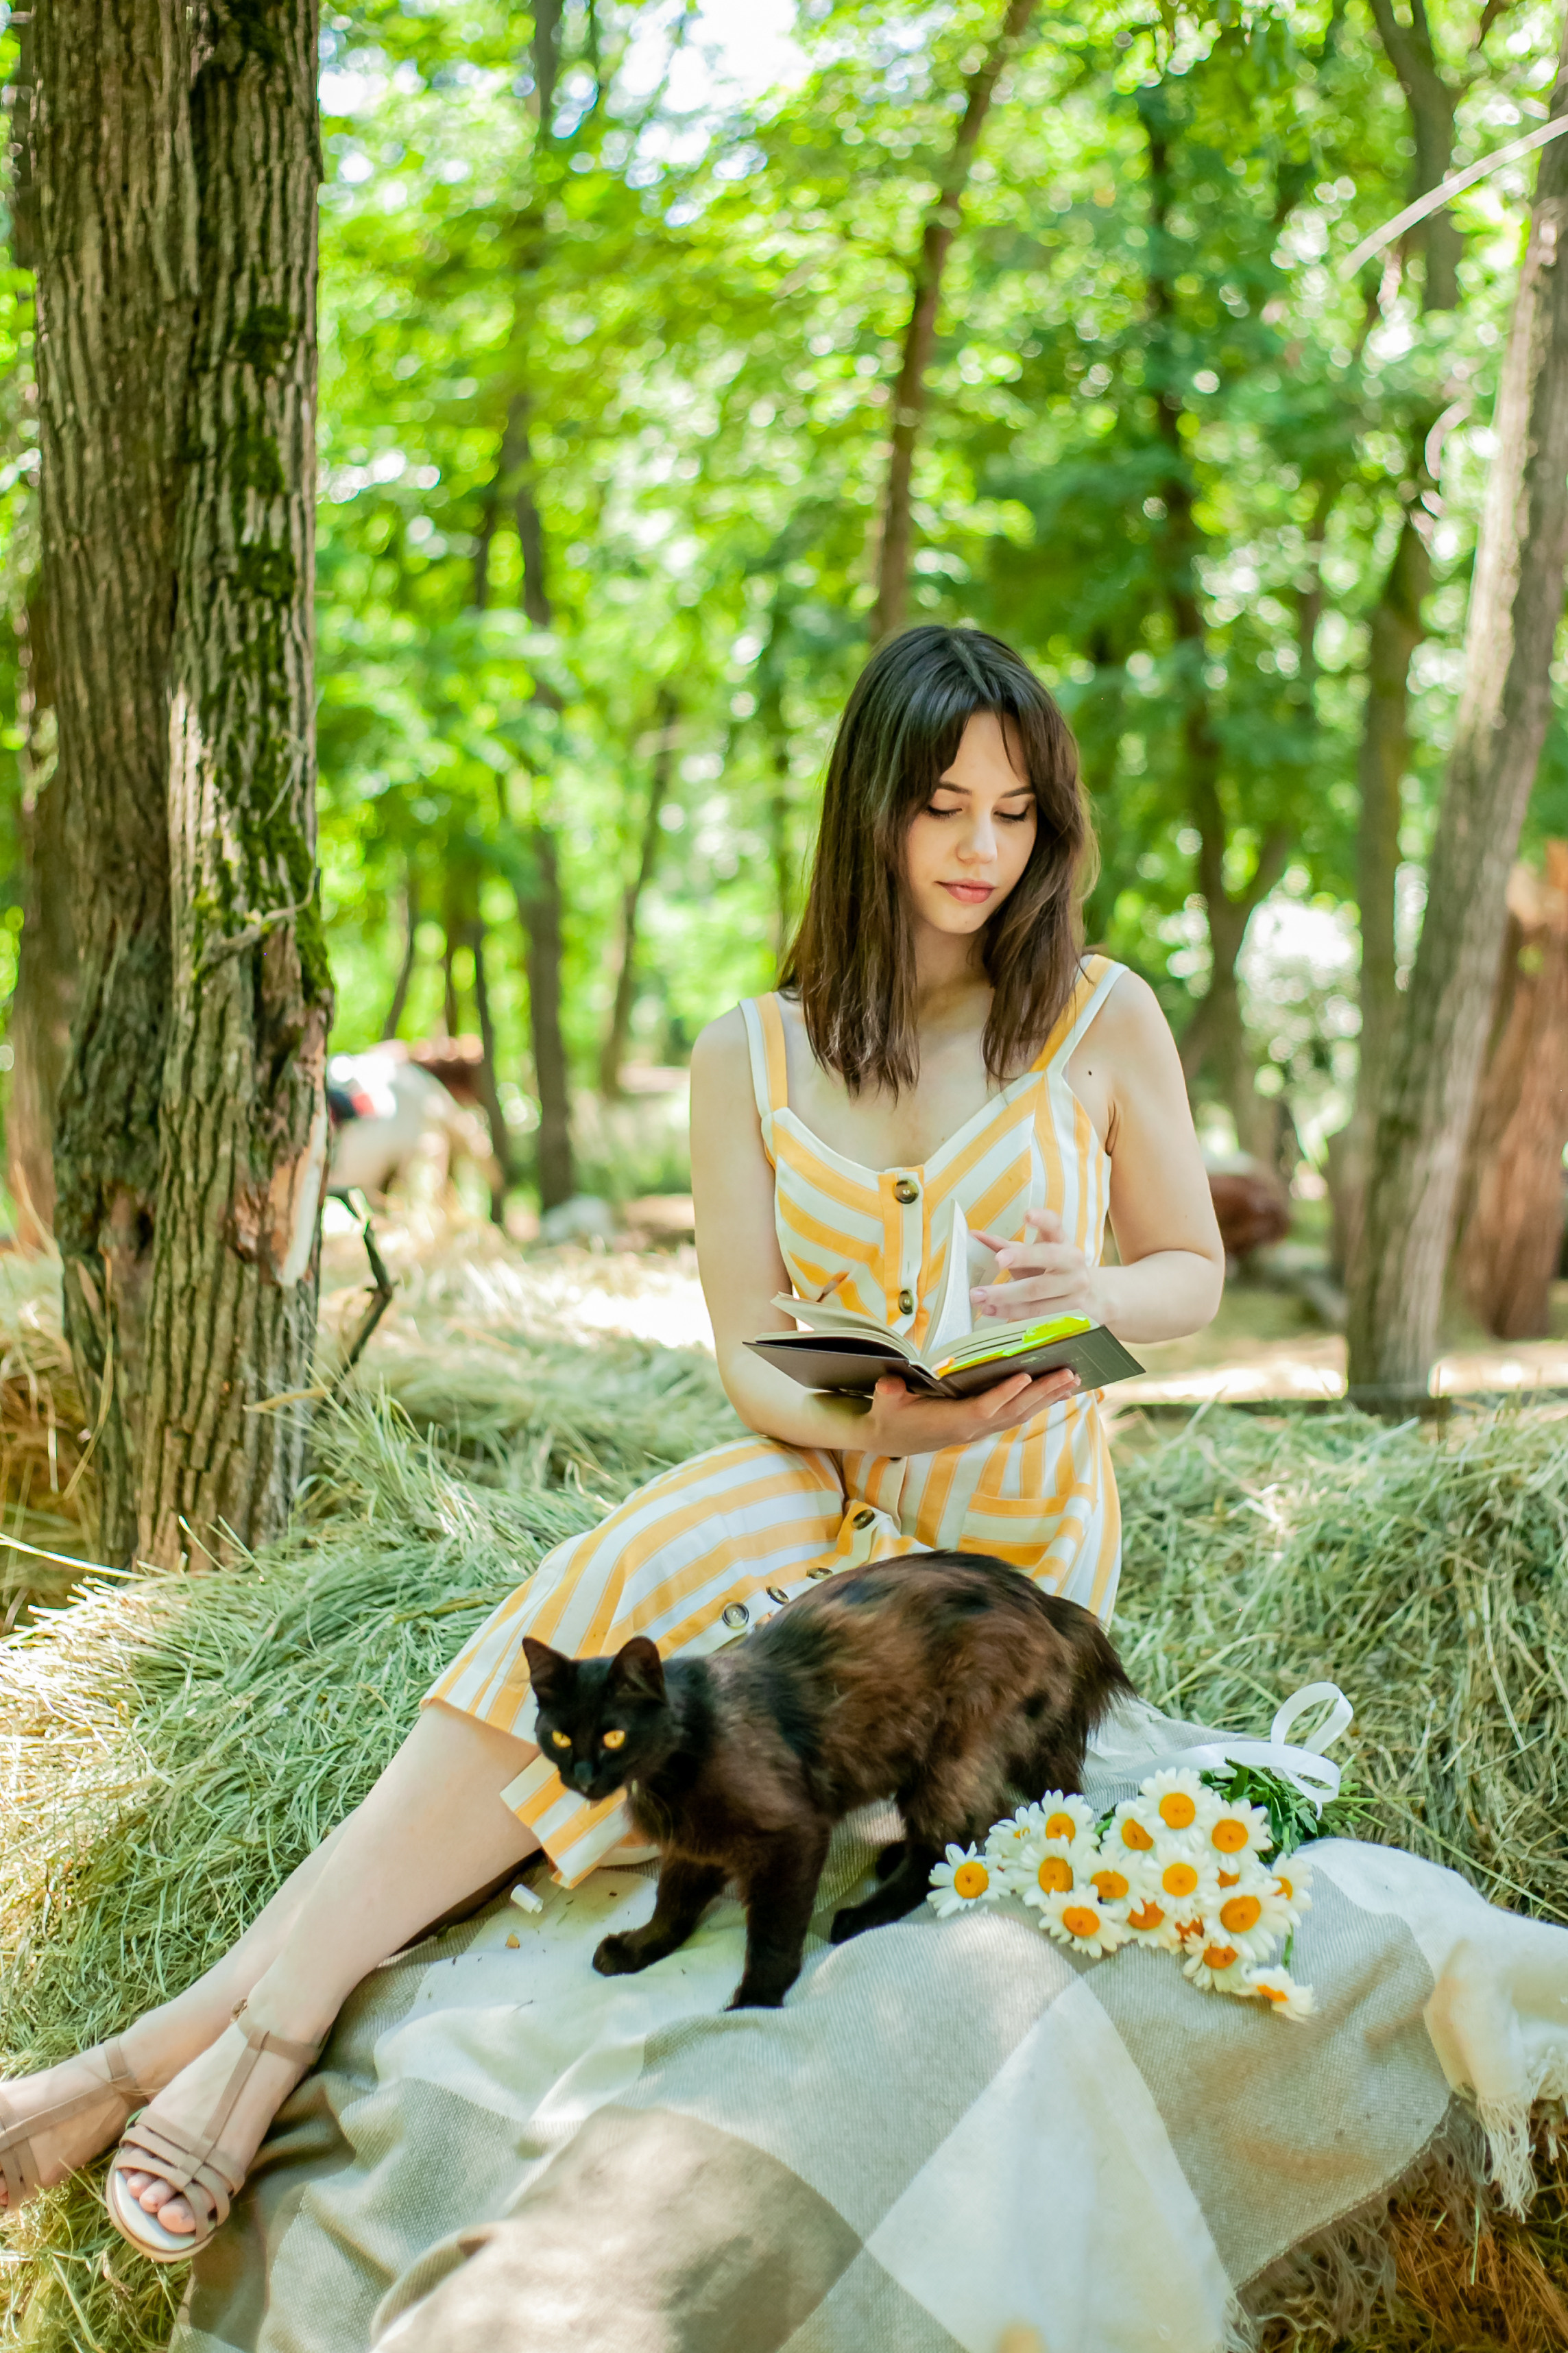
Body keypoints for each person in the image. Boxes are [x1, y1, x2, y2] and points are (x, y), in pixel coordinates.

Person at [0, 623, 1224, 2260]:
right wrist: (883, 1414)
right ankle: (238, 2047)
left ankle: (161, 2063)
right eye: (943, 808)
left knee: (735, 1624)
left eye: (1015, 813)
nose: (982, 851)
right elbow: (752, 1358)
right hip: (836, 1469)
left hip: (1002, 1545)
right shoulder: (753, 1054)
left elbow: (1192, 1277)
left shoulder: (1097, 1017)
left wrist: (1097, 1288)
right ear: (871, 809)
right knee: (630, 1582)